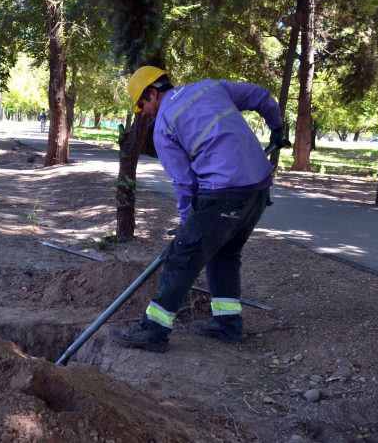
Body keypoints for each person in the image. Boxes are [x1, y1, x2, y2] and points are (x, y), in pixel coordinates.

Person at [109, 65, 284, 353]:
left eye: (143, 106)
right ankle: (228, 326)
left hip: (224, 194)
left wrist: (187, 224)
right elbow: (261, 96)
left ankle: (154, 331)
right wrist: (277, 128)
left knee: (180, 259)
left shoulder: (165, 124)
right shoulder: (210, 87)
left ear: (153, 93)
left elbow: (184, 183)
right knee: (224, 254)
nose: (145, 114)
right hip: (258, 189)